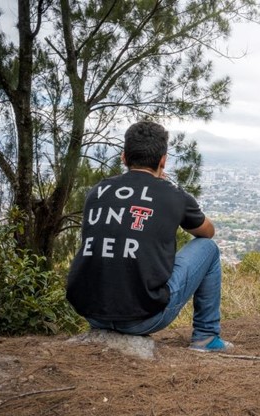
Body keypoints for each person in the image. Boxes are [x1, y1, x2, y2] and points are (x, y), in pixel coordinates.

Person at [66, 120, 232, 352]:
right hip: (143, 317)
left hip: (93, 314)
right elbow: (207, 232)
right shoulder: (172, 195)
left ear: (124, 157)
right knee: (208, 248)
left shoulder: (98, 191)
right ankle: (205, 337)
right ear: (163, 160)